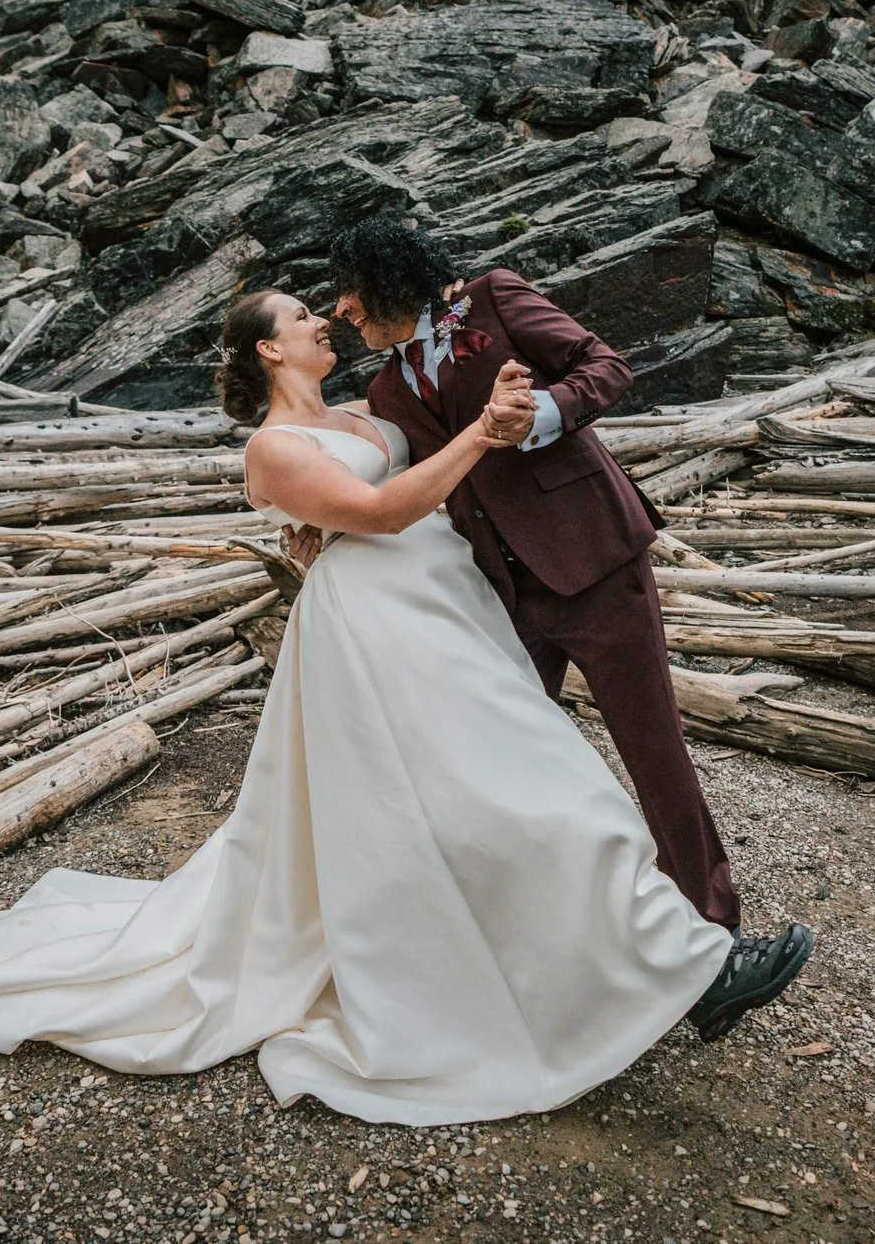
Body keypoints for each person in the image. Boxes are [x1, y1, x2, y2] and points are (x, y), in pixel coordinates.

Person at [0, 289, 766, 1125]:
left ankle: (599, 962)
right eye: (299, 318)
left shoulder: (372, 409)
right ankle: (682, 967)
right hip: (382, 634)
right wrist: (483, 432)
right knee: (542, 792)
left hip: (456, 612)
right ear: (268, 352)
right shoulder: (272, 450)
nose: (323, 320)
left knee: (514, 792)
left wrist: (497, 384)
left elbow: (454, 429)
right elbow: (380, 514)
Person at [327, 213, 811, 1035]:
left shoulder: (497, 301)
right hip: (500, 598)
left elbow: (607, 365)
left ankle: (711, 951)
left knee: (652, 750)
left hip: (594, 559)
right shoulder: (384, 391)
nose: (340, 309)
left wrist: (544, 413)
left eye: (348, 290)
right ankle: (520, 950)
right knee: (505, 768)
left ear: (385, 277)